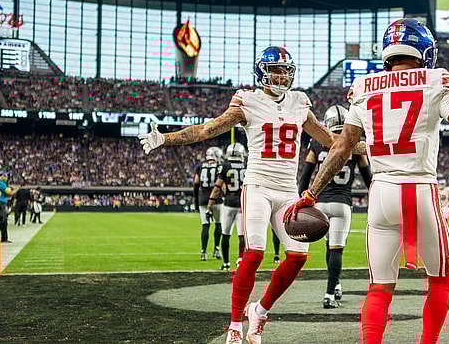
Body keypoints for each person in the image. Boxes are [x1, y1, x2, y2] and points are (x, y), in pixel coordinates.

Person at [288, 18, 449, 344]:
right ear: (424, 50)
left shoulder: (365, 87)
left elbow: (341, 147)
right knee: (441, 280)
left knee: (379, 288)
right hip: (419, 188)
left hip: (382, 192)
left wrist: (311, 192)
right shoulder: (434, 80)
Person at [138, 45, 365, 344]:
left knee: (298, 256)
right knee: (254, 252)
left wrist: (375, 147)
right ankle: (235, 325)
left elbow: (332, 141)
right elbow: (207, 130)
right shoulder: (248, 100)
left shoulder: (299, 102)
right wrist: (164, 138)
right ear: (262, 73)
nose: (282, 77)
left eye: (286, 71)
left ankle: (259, 311)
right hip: (257, 185)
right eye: (276, 71)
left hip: (287, 191)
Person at [298, 104, 373, 309]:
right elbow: (368, 179)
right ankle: (330, 294)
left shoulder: (316, 143)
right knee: (336, 249)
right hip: (342, 204)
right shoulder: (355, 143)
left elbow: (305, 177)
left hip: (320, 203)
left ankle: (336, 284)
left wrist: (302, 199)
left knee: (328, 246)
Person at [208, 143, 247, 271]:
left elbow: (217, 188)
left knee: (226, 234)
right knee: (241, 235)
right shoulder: (246, 166)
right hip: (242, 204)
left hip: (228, 203)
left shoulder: (224, 166)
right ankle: (241, 259)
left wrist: (210, 205)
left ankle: (226, 263)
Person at [194, 147, 224, 261]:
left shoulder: (200, 167)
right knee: (218, 223)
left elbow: (196, 184)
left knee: (205, 224)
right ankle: (216, 249)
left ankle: (203, 252)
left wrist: (196, 201)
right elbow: (222, 185)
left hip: (203, 199)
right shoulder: (219, 167)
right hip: (216, 199)